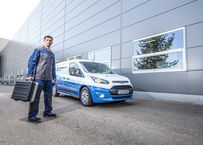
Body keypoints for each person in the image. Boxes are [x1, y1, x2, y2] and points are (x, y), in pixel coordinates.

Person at [27, 35, 56, 122]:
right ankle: (32, 115)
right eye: (47, 40)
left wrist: (54, 77)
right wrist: (30, 74)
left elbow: (53, 66)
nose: (49, 41)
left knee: (48, 96)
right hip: (39, 77)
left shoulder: (52, 54)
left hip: (48, 79)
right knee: (35, 97)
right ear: (44, 41)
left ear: (52, 42)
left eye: (50, 40)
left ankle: (47, 112)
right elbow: (31, 62)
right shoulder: (38, 50)